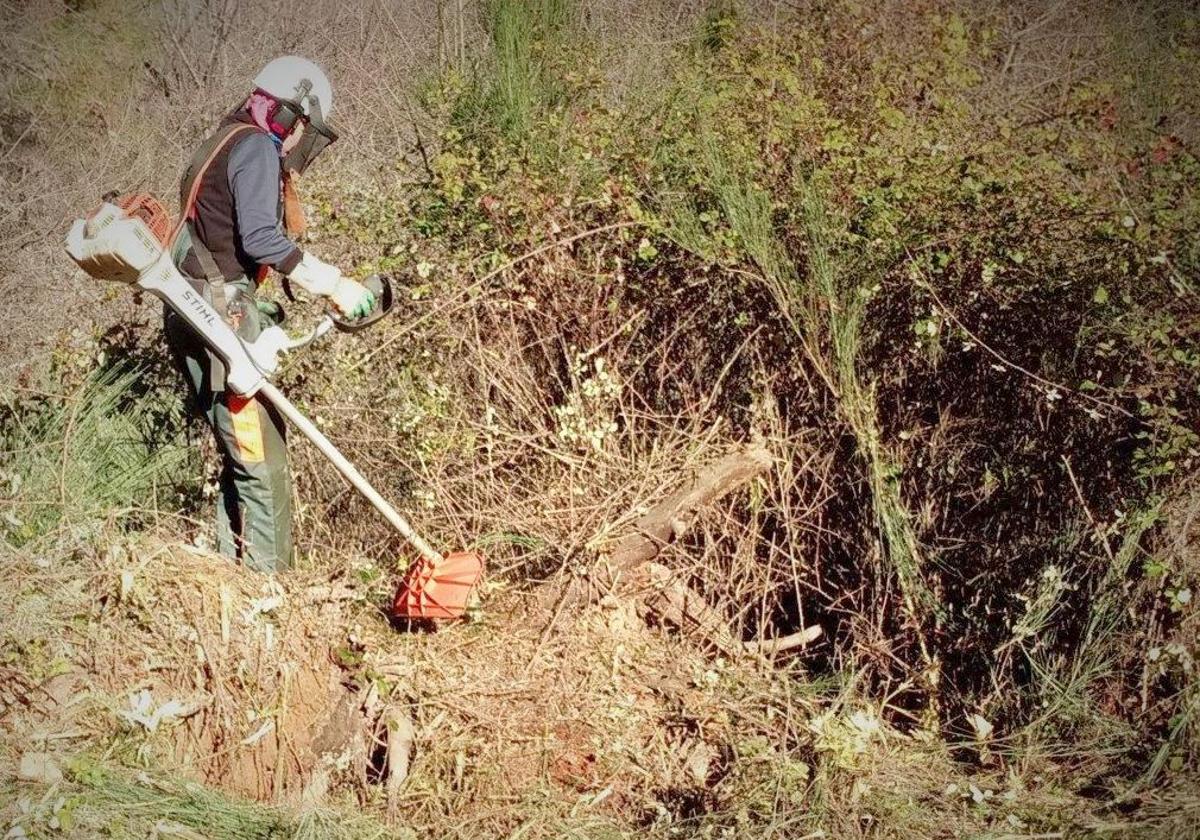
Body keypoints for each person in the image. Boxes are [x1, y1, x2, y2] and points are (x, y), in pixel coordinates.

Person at [164, 56, 373, 572]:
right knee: (261, 460)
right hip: (220, 313)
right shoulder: (255, 148)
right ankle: (266, 591)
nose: (302, 138)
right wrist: (334, 284)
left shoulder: (223, 139)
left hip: (196, 308)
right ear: (287, 114)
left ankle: (226, 578)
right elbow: (260, 237)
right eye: (303, 125)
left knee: (242, 454)